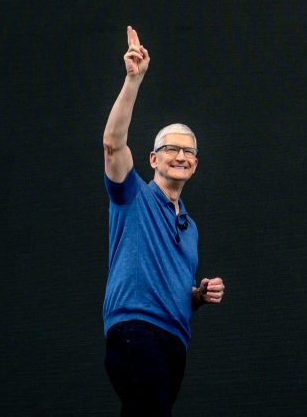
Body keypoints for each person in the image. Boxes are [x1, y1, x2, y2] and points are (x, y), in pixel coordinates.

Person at [102, 26, 225, 416]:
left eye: (188, 152)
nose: (181, 156)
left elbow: (175, 288)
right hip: (136, 331)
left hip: (174, 341)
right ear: (153, 158)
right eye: (171, 148)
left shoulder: (190, 226)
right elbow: (113, 144)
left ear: (196, 165)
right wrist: (133, 80)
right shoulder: (133, 196)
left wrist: (198, 296)